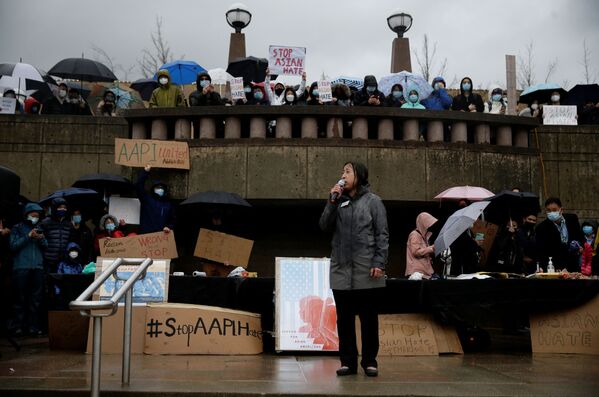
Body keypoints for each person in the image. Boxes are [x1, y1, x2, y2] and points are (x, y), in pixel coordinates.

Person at [319, 161, 388, 377]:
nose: (343, 175)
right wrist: (331, 201)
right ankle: (347, 361)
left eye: (347, 171)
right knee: (344, 319)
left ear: (359, 175)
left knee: (368, 318)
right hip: (341, 268)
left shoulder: (373, 202)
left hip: (366, 268)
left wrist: (379, 262)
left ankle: (369, 361)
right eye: (342, 172)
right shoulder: (337, 201)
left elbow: (382, 234)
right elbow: (323, 226)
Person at [8, 203, 47, 336]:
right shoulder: (17, 228)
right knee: (19, 298)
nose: (35, 217)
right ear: (27, 215)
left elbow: (46, 245)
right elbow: (13, 246)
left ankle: (33, 327)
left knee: (35, 299)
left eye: (37, 215)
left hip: (37, 267)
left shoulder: (39, 227)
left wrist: (41, 238)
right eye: (33, 215)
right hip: (21, 267)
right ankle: (17, 326)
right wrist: (28, 236)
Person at [535, 197, 583, 272]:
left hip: (573, 263)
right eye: (548, 210)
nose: (551, 213)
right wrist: (541, 266)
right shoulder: (541, 227)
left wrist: (580, 246)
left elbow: (579, 236)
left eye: (554, 210)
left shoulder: (572, 219)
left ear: (561, 210)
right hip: (555, 266)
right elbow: (541, 250)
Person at [135, 164, 176, 234]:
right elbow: (138, 185)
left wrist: (169, 227)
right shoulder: (147, 199)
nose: (160, 189)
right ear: (153, 189)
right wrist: (145, 172)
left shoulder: (168, 205)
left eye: (161, 188)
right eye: (157, 187)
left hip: (160, 237)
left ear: (164, 190)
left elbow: (173, 220)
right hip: (146, 236)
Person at [39, 198, 73, 272]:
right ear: (54, 208)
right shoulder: (46, 222)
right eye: (60, 207)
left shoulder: (68, 224)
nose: (62, 209)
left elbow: (70, 240)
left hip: (63, 260)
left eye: (64, 208)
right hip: (48, 260)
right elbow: (40, 239)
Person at [405, 212, 438, 279]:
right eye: (428, 224)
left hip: (424, 272)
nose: (430, 227)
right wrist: (431, 248)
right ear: (423, 224)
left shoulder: (424, 237)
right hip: (416, 274)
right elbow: (416, 252)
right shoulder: (415, 235)